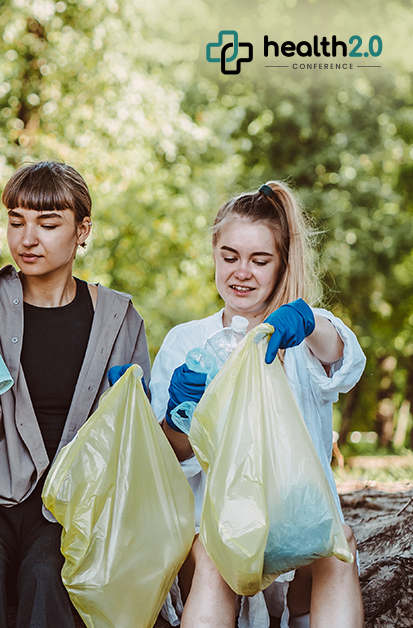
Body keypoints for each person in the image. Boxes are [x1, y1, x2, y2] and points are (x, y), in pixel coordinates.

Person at [0, 161, 151, 628]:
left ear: (82, 230)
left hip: (69, 500)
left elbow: (129, 445)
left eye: (48, 224)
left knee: (48, 574)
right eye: (16, 221)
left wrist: (132, 405)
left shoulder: (119, 319)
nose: (28, 239)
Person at [150, 181, 365, 628]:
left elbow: (343, 359)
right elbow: (173, 460)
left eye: (260, 260)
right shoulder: (187, 342)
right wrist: (178, 416)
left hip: (299, 518)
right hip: (220, 525)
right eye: (229, 257)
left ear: (283, 263)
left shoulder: (303, 337)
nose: (241, 272)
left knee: (337, 547)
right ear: (214, 254)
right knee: (211, 554)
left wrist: (309, 319)